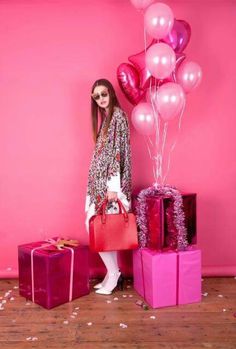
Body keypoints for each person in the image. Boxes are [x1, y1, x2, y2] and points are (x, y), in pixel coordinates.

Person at [85, 78, 132, 295]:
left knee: (99, 229)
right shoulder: (107, 118)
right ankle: (112, 273)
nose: (101, 99)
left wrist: (113, 186)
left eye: (104, 94)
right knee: (102, 230)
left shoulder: (118, 117)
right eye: (97, 96)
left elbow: (116, 153)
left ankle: (113, 274)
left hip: (109, 187)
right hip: (99, 185)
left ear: (111, 93)